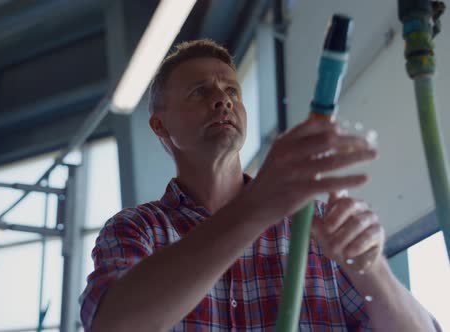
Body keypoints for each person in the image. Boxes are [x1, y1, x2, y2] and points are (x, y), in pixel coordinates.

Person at [79, 39, 440, 331]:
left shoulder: (313, 226)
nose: (223, 99)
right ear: (160, 126)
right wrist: (255, 208)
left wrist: (373, 269)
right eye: (200, 92)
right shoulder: (136, 230)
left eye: (232, 91)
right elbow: (113, 324)